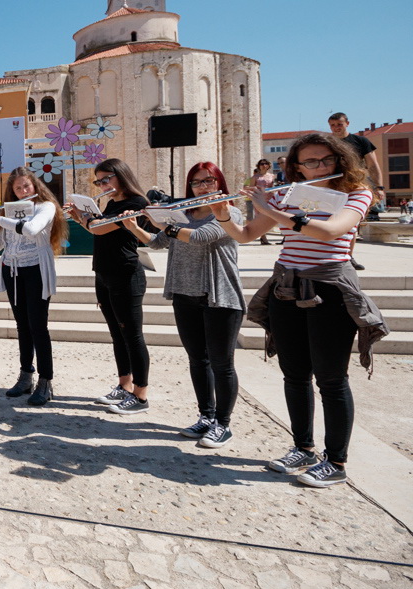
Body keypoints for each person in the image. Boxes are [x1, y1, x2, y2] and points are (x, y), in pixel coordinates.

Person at [214, 133, 385, 487]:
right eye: (310, 162)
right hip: (286, 288)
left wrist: (272, 210)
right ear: (297, 166)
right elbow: (245, 234)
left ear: (340, 160)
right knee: (294, 374)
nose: (319, 167)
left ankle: (335, 461)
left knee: (331, 379)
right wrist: (223, 216)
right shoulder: (287, 194)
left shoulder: (356, 192)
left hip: (330, 289)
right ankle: (303, 447)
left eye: (326, 160)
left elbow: (331, 231)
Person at [121, 162, 245, 447]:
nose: (202, 187)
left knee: (222, 364)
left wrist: (167, 223)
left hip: (219, 296)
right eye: (196, 183)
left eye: (208, 181)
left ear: (219, 182)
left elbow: (200, 237)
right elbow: (156, 243)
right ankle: (206, 416)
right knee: (197, 360)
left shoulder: (228, 212)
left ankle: (223, 424)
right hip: (184, 295)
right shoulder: (184, 214)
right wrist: (133, 227)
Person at [0, 167, 66, 406]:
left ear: (35, 186)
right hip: (12, 270)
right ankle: (26, 376)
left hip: (36, 270)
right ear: (12, 192)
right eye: (18, 188)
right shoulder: (9, 211)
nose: (23, 191)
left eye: (26, 186)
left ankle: (46, 381)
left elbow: (32, 229)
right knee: (22, 326)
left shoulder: (45, 207)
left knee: (38, 326)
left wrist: (0, 218)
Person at [65, 159, 152, 414]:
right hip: (104, 273)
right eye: (99, 181)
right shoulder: (112, 203)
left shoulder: (136, 202)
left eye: (107, 179)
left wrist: (84, 217)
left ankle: (141, 395)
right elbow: (98, 231)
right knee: (117, 334)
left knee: (132, 336)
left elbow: (99, 228)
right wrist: (78, 217)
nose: (103, 185)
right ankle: (124, 385)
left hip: (126, 275)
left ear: (121, 176)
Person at [329, 112, 382, 270]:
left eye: (339, 124)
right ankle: (330, 256)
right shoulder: (327, 143)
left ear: (347, 124)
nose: (336, 128)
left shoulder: (360, 141)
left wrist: (379, 187)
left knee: (352, 223)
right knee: (329, 221)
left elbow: (373, 165)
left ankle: (348, 256)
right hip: (332, 185)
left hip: (355, 185)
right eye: (333, 125)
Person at [246, 159, 276, 244]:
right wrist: (256, 190)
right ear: (258, 166)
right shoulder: (255, 177)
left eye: (266, 163)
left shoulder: (272, 176)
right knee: (260, 218)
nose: (264, 165)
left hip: (270, 199)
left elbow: (274, 187)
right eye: (262, 164)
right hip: (259, 199)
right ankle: (263, 237)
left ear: (269, 165)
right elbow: (251, 188)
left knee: (270, 217)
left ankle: (263, 236)